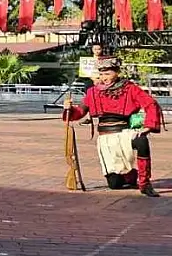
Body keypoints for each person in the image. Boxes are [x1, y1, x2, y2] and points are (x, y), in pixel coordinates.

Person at [63, 56, 162, 197]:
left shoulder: (130, 88)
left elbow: (150, 103)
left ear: (117, 72)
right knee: (114, 185)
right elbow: (79, 112)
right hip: (105, 139)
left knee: (142, 141)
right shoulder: (93, 92)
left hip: (126, 132)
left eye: (107, 73)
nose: (104, 77)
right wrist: (69, 109)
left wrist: (149, 125)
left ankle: (145, 183)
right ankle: (130, 175)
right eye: (102, 74)